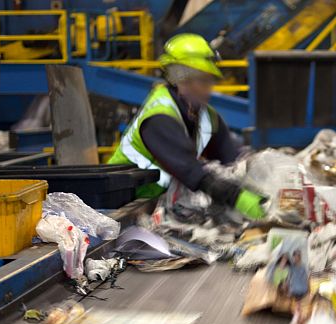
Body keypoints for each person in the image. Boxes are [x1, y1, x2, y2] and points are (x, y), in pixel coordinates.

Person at [108, 33, 266, 219]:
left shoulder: (204, 115)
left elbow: (232, 157)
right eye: (204, 80)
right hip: (122, 209)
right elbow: (192, 172)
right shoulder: (160, 117)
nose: (210, 88)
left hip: (158, 205)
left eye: (210, 80)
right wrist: (238, 198)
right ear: (182, 79)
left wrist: (261, 179)